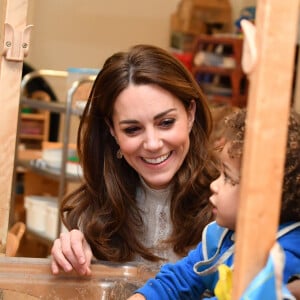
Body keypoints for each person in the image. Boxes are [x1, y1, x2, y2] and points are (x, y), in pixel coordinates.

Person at [50, 44, 219, 275]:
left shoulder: (226, 202)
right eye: (132, 129)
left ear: (190, 114)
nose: (152, 143)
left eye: (166, 123)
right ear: (112, 130)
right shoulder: (91, 215)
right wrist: (73, 256)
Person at [128, 108, 300, 299]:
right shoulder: (221, 236)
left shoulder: (283, 258)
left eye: (228, 178)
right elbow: (183, 276)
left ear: (264, 196)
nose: (214, 185)